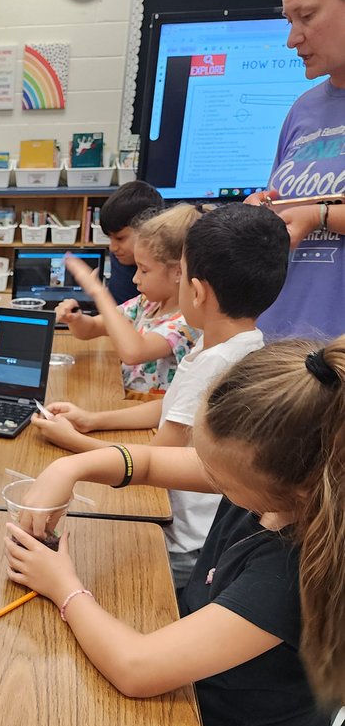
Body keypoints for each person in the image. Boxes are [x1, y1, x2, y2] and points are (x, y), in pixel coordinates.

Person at [4, 336, 344, 726]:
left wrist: (63, 585)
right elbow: (149, 463)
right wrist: (66, 470)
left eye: (218, 476)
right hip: (195, 712)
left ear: (292, 490)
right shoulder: (281, 481)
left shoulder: (294, 573)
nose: (205, 476)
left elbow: (137, 669)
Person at [34, 204, 289, 585]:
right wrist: (93, 420)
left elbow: (153, 458)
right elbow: (171, 408)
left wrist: (74, 442)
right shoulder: (234, 344)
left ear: (196, 291)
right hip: (179, 521)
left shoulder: (217, 364)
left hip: (180, 541)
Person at [247, 0, 345, 340]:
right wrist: (264, 212)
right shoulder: (303, 110)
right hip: (281, 348)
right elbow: (288, 208)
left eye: (307, 16)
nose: (292, 39)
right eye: (290, 20)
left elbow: (311, 212)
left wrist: (319, 214)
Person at [56, 205, 199, 400]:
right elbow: (91, 329)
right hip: (124, 398)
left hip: (148, 411)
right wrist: (75, 319)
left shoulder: (187, 324)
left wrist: (99, 292)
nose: (135, 279)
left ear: (178, 272)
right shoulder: (147, 304)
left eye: (144, 270)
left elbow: (134, 352)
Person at [97, 180, 164, 304]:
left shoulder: (163, 272)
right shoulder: (121, 257)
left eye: (120, 238)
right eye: (110, 238)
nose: (112, 248)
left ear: (149, 229)